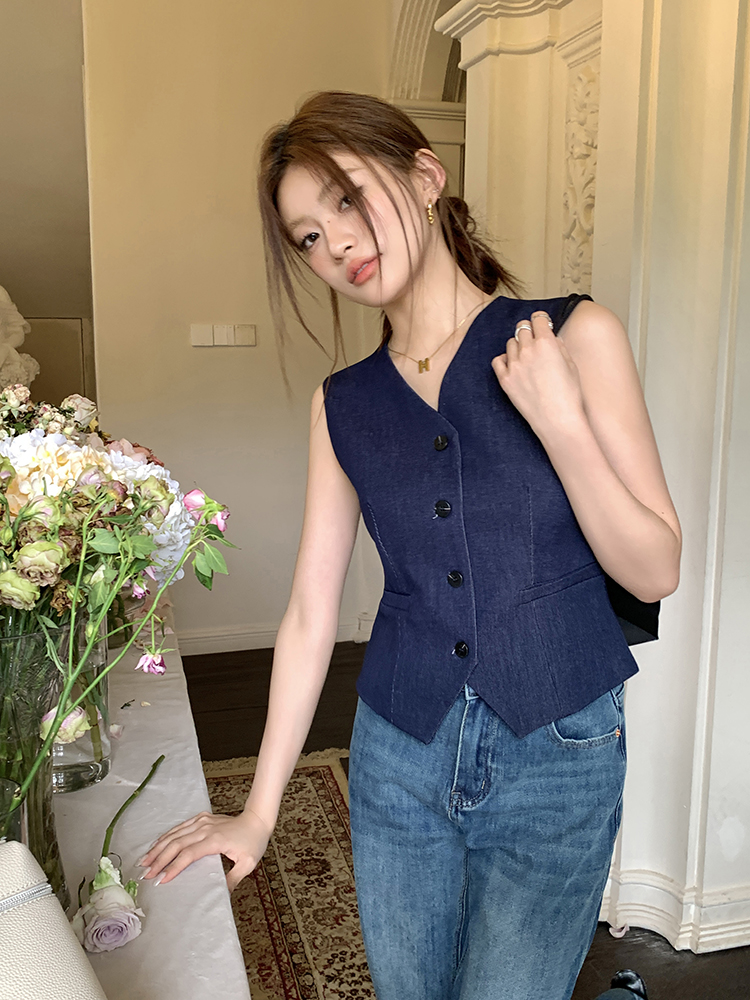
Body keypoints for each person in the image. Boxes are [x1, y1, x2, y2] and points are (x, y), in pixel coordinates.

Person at [139, 91, 680, 1000]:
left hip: (559, 747)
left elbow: (656, 568)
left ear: (426, 177)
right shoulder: (342, 404)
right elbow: (311, 609)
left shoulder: (573, 336)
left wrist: (562, 423)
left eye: (348, 199)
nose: (336, 245)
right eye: (309, 237)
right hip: (399, 751)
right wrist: (258, 813)